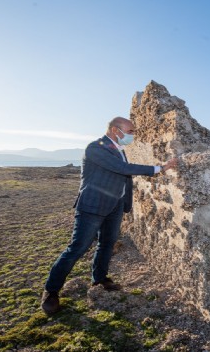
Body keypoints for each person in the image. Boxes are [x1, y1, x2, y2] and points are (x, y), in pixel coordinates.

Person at [41, 116, 178, 315]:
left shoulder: (118, 149)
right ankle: (51, 291)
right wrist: (160, 168)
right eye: (130, 132)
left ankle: (100, 279)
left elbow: (121, 177)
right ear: (115, 130)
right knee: (77, 248)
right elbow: (123, 169)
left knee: (107, 243)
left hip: (114, 206)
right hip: (93, 206)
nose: (132, 136)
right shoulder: (96, 148)